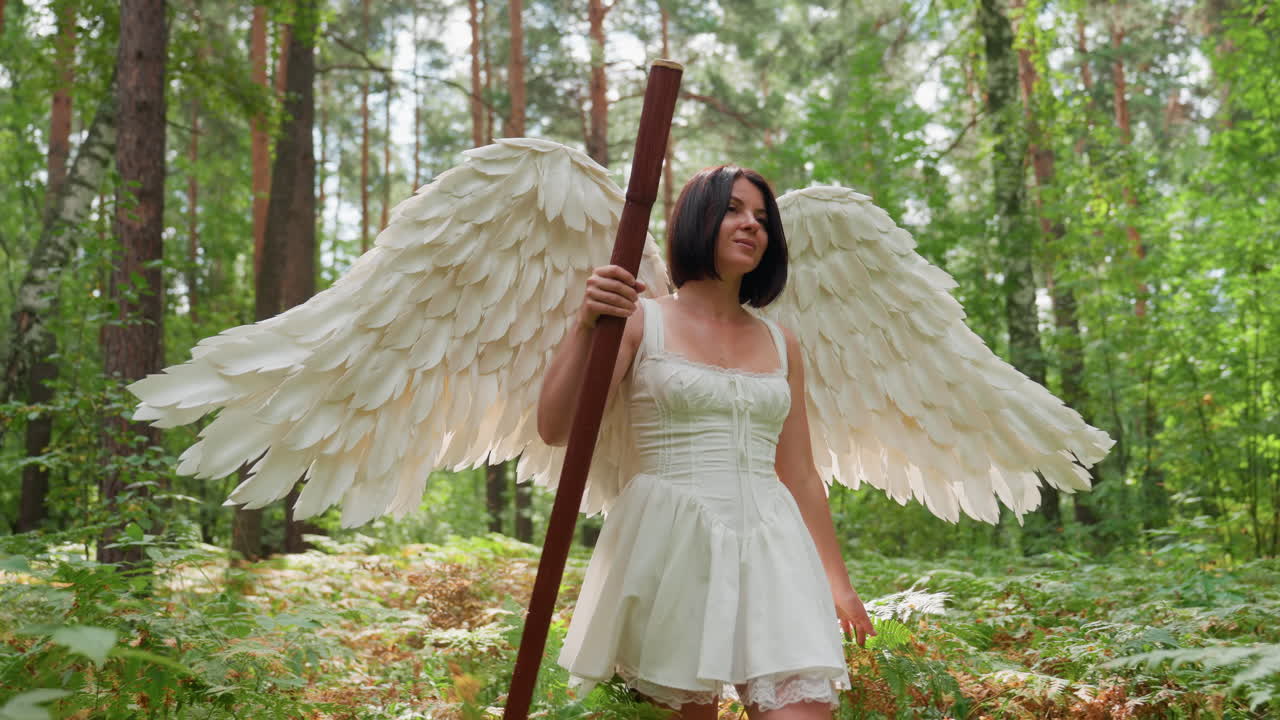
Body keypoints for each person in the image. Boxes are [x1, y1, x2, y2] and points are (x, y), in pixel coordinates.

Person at [537, 165, 875, 719]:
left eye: (763, 218)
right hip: (671, 547)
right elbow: (556, 427)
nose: (752, 226)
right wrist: (585, 325)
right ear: (697, 219)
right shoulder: (639, 321)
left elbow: (801, 473)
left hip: (774, 546)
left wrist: (838, 583)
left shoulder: (781, 340)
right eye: (734, 210)